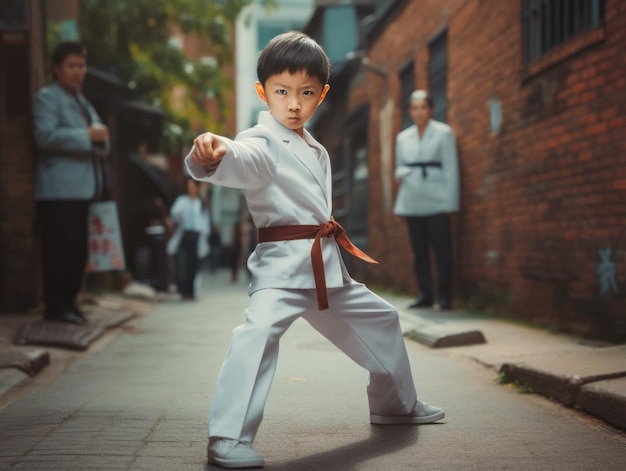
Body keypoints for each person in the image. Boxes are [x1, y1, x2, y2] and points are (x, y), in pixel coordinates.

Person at [186, 32, 444, 469]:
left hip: (325, 268)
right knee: (256, 337)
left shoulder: (315, 148)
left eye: (306, 93)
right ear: (261, 91)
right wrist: (211, 153)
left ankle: (395, 405)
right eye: (281, 91)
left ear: (322, 95)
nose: (292, 104)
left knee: (384, 319)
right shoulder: (262, 140)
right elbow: (241, 157)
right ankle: (227, 437)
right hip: (282, 272)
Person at [33, 41, 110, 325]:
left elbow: (102, 138)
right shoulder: (47, 98)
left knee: (77, 251)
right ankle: (55, 307)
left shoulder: (83, 102)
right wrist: (87, 136)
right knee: (59, 250)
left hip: (84, 189)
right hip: (58, 191)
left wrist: (100, 139)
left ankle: (69, 302)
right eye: (71, 66)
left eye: (81, 65)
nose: (78, 71)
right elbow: (45, 137)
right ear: (57, 68)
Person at [393, 90, 460, 310]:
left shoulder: (444, 133)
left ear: (430, 109)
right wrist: (401, 175)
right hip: (412, 199)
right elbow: (398, 167)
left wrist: (451, 203)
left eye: (423, 107)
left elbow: (451, 168)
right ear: (410, 111)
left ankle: (445, 296)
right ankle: (425, 294)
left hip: (438, 199)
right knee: (419, 252)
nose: (419, 112)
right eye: (414, 107)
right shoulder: (402, 138)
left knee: (443, 252)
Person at [166, 177, 210, 299]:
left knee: (193, 264)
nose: (191, 189)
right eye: (189, 186)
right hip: (184, 234)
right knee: (182, 263)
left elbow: (205, 221)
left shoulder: (201, 202)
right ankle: (183, 290)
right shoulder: (182, 201)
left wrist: (204, 237)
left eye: (193, 186)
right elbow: (174, 214)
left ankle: (191, 291)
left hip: (196, 236)